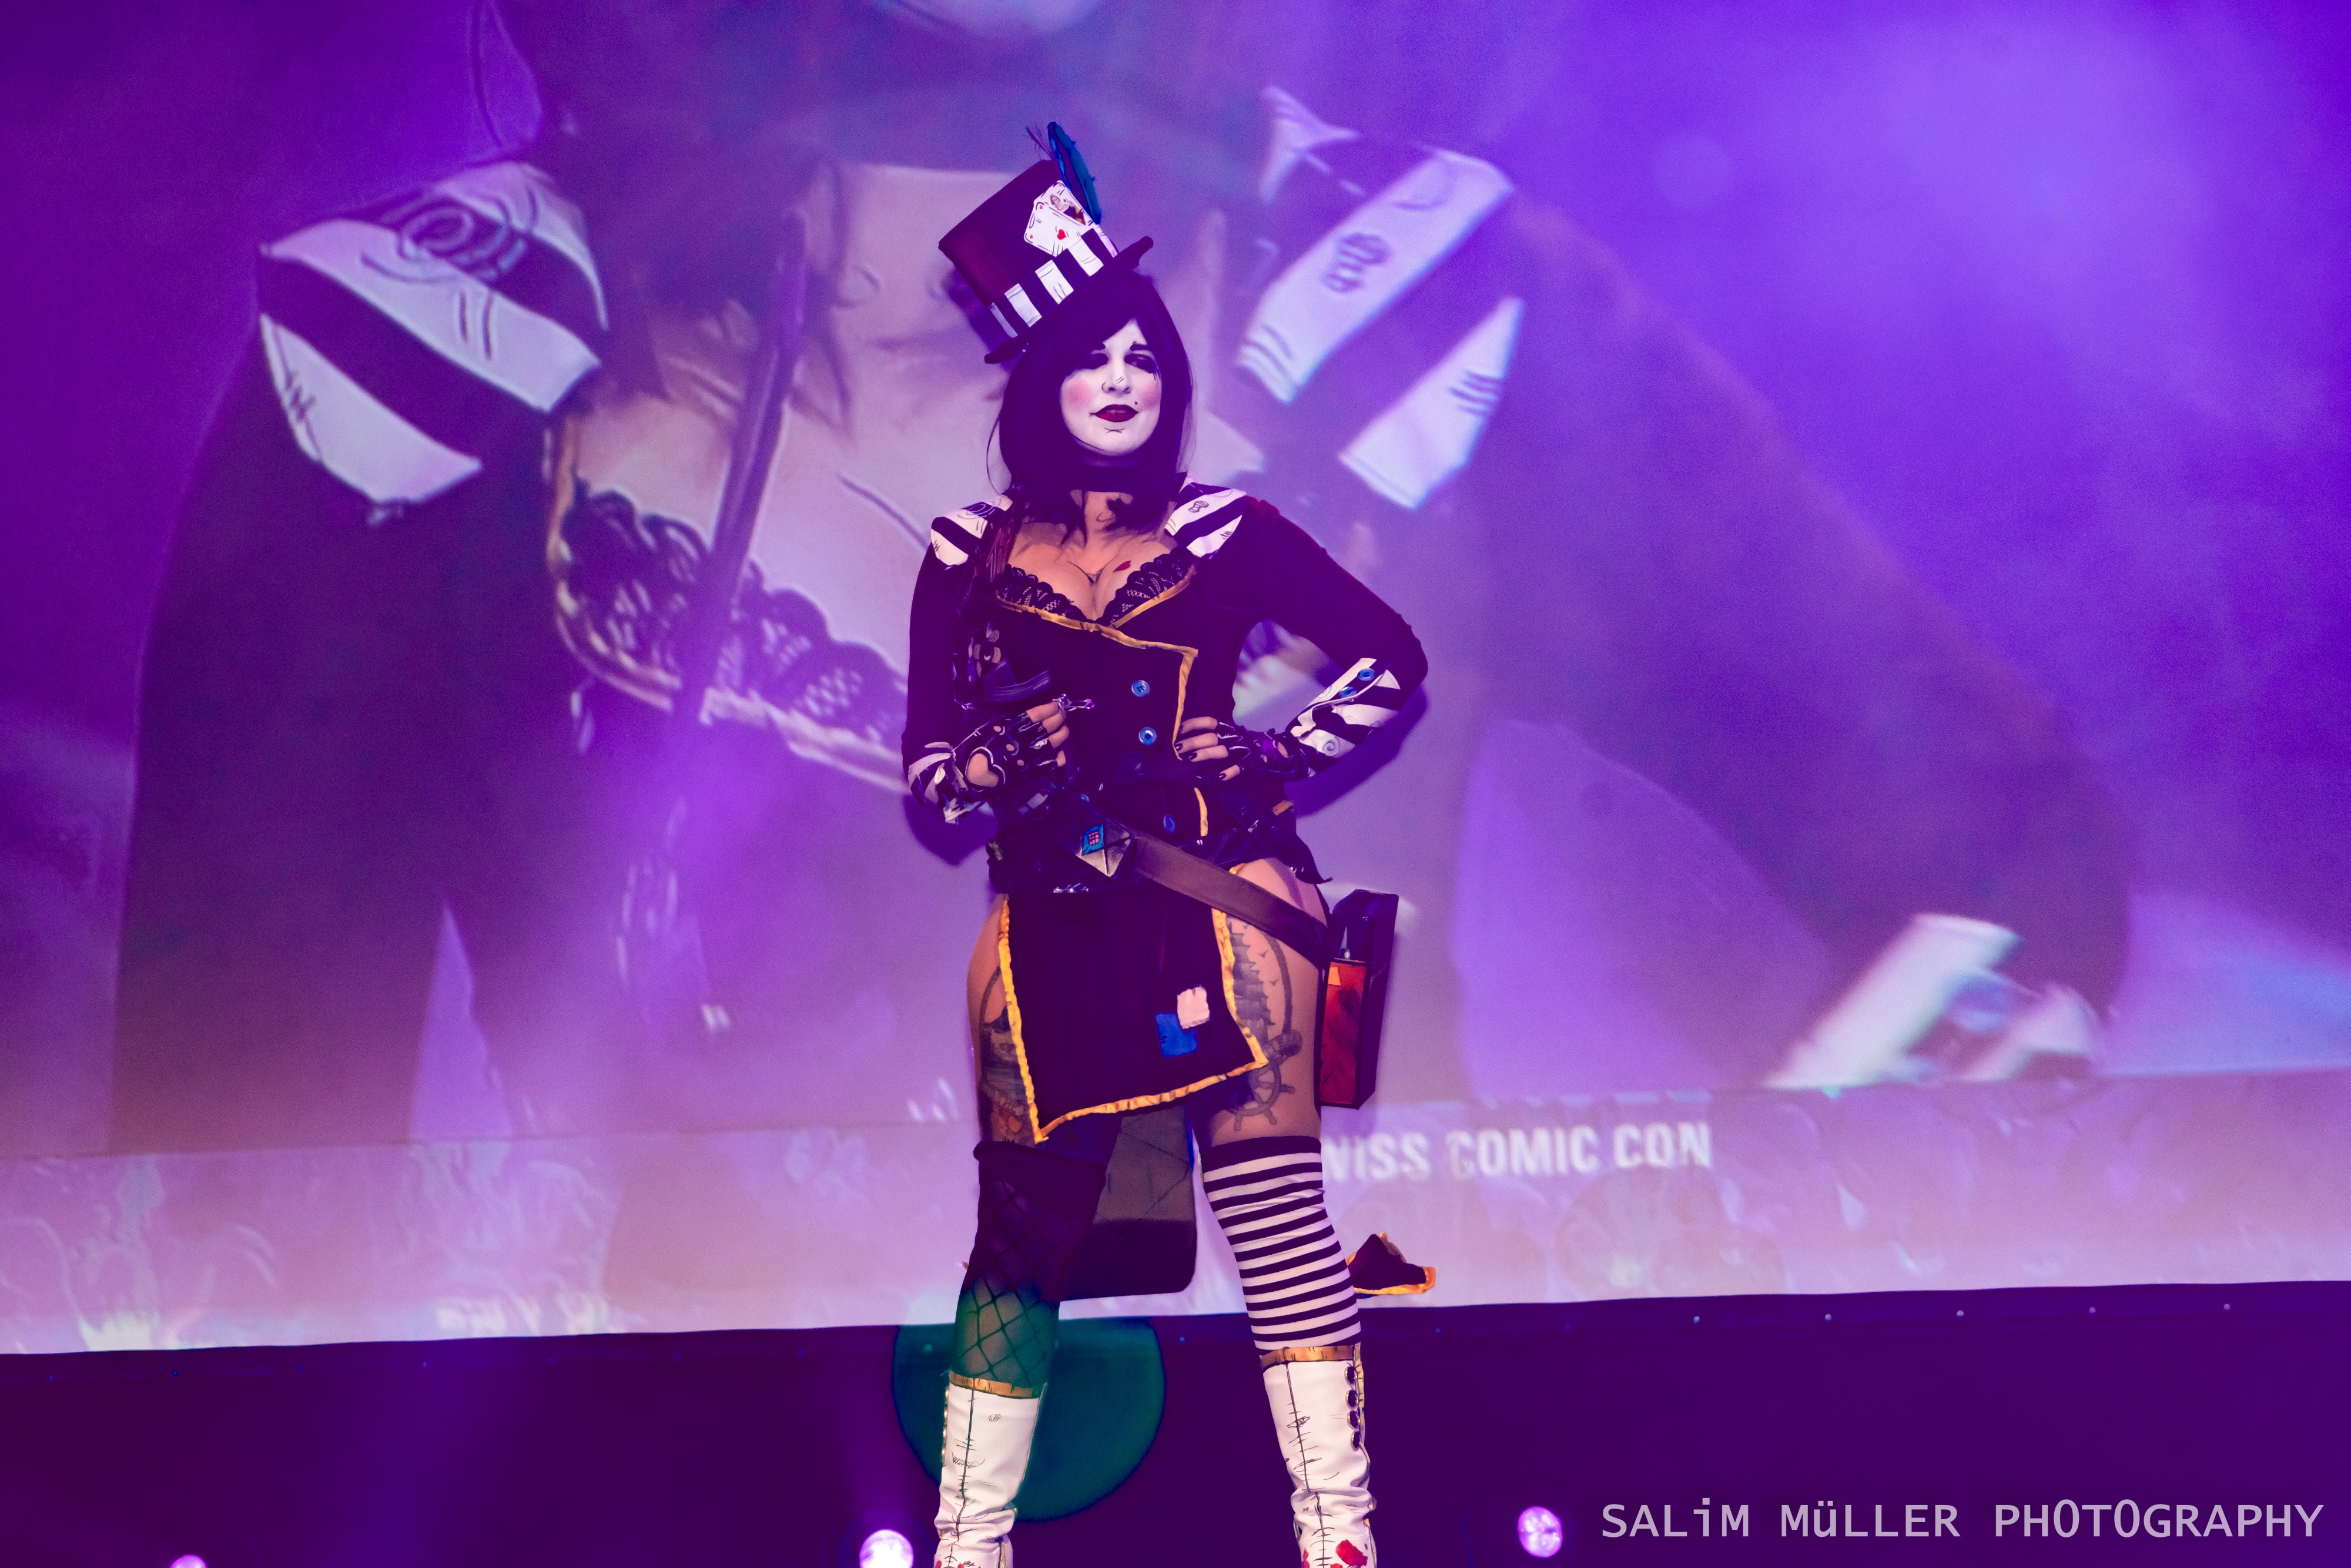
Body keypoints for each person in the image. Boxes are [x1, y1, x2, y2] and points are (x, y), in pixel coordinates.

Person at [905, 157, 1424, 1568]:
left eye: (1143, 355)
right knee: (1016, 1249)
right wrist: (992, 765)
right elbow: (928, 776)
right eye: (1092, 355)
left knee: (1276, 1220)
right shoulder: (962, 552)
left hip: (1220, 903)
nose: (1122, 377)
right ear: (1040, 380)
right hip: (1044, 920)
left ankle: (1338, 1542)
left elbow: (1391, 657)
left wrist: (1274, 754)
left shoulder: (1221, 529)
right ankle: (967, 1547)